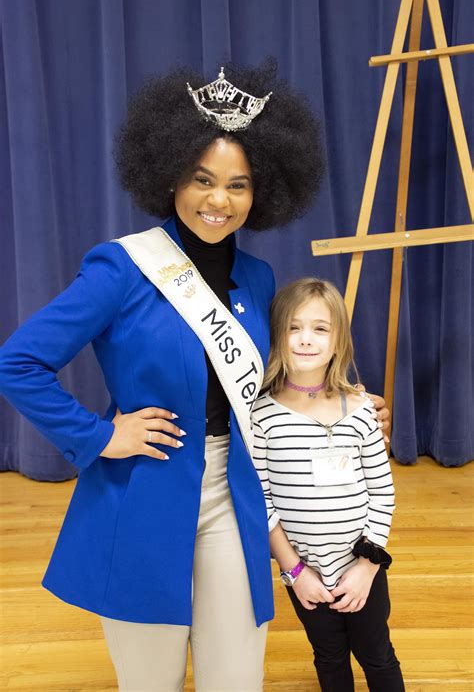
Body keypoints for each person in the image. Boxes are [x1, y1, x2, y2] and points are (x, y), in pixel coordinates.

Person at [0, 61, 388, 691]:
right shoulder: (122, 270)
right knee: (148, 681)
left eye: (238, 185)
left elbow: (272, 383)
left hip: (236, 497)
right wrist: (99, 436)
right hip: (145, 489)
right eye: (203, 179)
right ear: (170, 176)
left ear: (260, 193)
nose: (219, 200)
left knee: (235, 678)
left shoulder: (258, 280)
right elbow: (18, 362)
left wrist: (344, 407)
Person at [251, 277, 404, 692]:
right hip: (305, 573)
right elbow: (260, 500)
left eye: (320, 328)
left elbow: (382, 491)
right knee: (329, 656)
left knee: (377, 654)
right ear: (276, 335)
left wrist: (368, 567)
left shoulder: (360, 410)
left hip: (361, 568)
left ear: (338, 341)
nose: (305, 339)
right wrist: (295, 571)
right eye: (293, 327)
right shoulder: (262, 416)